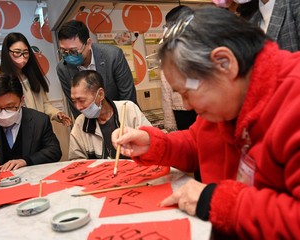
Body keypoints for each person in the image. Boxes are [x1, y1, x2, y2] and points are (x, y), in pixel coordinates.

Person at [112, 7, 300, 239]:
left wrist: (219, 201)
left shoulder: (293, 100)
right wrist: (153, 143)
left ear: (224, 63)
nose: (187, 106)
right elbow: (197, 141)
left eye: (187, 92)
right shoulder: (227, 101)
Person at [0, 32, 72, 126]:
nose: (22, 57)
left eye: (25, 53)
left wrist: (57, 114)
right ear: (7, 52)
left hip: (36, 130)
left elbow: (44, 104)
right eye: (17, 52)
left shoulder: (32, 76)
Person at [56, 20, 138, 119]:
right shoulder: (63, 69)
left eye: (73, 51)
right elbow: (75, 107)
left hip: (122, 116)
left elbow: (128, 97)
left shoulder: (113, 56)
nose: (69, 56)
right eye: (64, 51)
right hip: (91, 123)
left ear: (89, 43)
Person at [69, 70, 150, 161]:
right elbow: (76, 161)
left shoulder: (128, 110)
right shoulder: (80, 122)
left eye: (81, 100)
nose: (78, 107)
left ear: (100, 94)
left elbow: (151, 144)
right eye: (74, 101)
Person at [161, 5, 197, 132]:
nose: (166, 31)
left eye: (169, 26)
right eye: (166, 27)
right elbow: (166, 94)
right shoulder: (168, 56)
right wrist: (170, 126)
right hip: (181, 113)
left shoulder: (201, 52)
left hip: (201, 110)